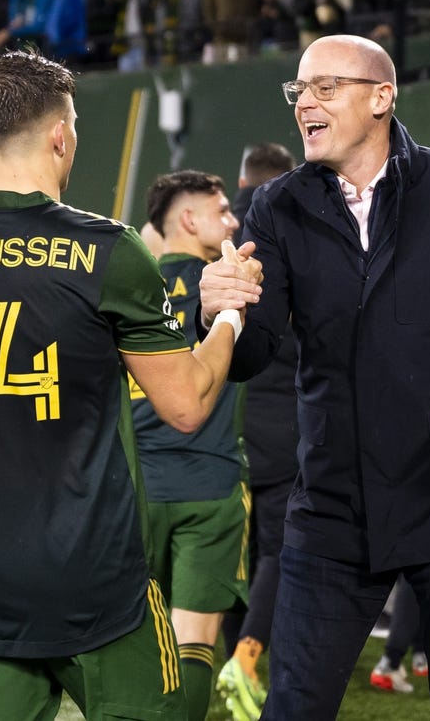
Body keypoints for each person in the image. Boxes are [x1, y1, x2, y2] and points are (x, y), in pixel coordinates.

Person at [0, 49, 257, 719]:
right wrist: (226, 317)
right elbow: (187, 403)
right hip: (97, 583)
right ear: (60, 134)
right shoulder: (109, 250)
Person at [198, 34, 430, 719]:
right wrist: (219, 312)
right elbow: (256, 353)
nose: (304, 103)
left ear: (381, 97)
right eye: (298, 91)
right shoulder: (277, 206)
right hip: (333, 510)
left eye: (325, 88)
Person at [131, 169, 250, 721]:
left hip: (138, 491)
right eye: (221, 210)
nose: (232, 220)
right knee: (195, 644)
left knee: (133, 646)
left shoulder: (129, 289)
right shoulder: (236, 287)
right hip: (211, 485)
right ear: (186, 218)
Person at [215, 142, 297, 721]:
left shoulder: (217, 237)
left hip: (219, 424)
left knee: (229, 554)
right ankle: (246, 656)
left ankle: (229, 657)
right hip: (282, 419)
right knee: (277, 549)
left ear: (241, 179)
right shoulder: (295, 226)